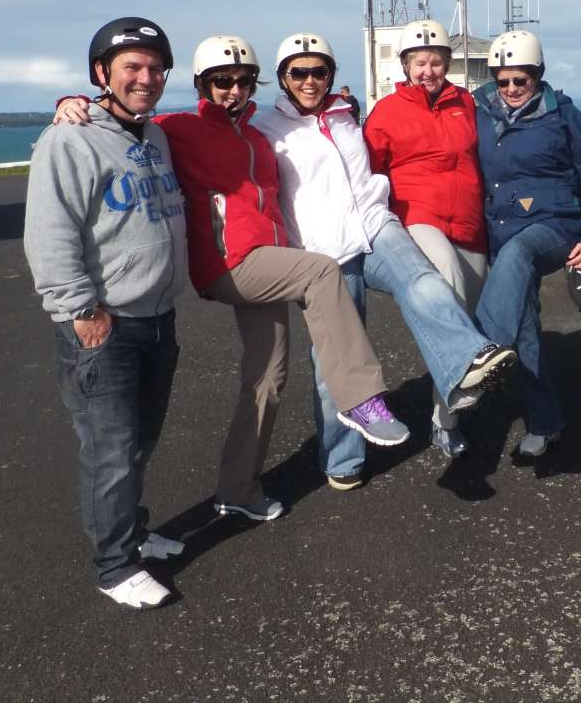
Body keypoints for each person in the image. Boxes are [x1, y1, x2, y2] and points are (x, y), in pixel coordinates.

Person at [54, 35, 411, 526]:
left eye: (244, 81)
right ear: (202, 84)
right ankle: (360, 398)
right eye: (222, 81)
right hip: (229, 264)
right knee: (321, 271)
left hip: (269, 259)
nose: (233, 90)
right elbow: (121, 120)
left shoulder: (259, 136)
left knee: (267, 377)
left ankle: (237, 487)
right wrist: (74, 103)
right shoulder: (178, 128)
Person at [254, 30, 516, 485]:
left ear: (331, 75)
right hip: (324, 256)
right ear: (283, 78)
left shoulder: (344, 116)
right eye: (299, 73)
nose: (310, 81)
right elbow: (215, 140)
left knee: (426, 282)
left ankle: (467, 361)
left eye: (319, 71)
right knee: (335, 362)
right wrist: (90, 108)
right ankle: (342, 461)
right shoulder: (265, 128)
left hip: (376, 229)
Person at [24, 17, 187, 610]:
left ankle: (133, 533)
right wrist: (80, 309)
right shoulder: (69, 139)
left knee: (139, 442)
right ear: (102, 76)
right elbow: (50, 232)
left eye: (155, 68)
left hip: (157, 317)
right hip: (105, 324)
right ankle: (115, 566)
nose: (146, 78)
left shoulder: (154, 136)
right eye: (132, 69)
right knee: (110, 450)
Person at [470, 29, 581, 459]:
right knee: (526, 325)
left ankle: (478, 348)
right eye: (504, 81)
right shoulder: (479, 112)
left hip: (555, 225)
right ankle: (545, 421)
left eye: (522, 80)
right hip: (501, 229)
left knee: (519, 253)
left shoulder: (563, 114)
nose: (513, 89)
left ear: (538, 76)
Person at [363, 19, 489, 456]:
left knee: (463, 317)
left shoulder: (466, 104)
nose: (428, 71)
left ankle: (444, 420)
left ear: (447, 65)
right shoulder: (387, 112)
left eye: (436, 62)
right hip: (418, 216)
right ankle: (457, 390)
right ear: (405, 65)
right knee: (447, 283)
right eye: (420, 62)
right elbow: (369, 172)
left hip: (470, 224)